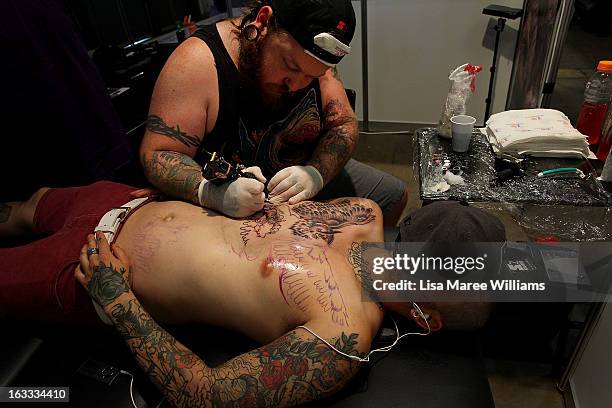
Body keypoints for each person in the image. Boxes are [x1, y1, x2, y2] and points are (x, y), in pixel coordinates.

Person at [0, 182, 503, 407]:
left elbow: (206, 393)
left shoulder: (340, 336)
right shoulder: (362, 211)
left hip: (85, 271)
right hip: (126, 198)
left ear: (426, 316)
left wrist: (120, 305)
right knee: (24, 206)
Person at [139, 0, 409, 225]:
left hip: (298, 174)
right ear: (263, 21)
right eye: (290, 65)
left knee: (393, 196)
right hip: (231, 193)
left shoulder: (314, 61)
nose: (296, 85)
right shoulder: (198, 61)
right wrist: (210, 192)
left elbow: (343, 124)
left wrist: (316, 173)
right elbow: (158, 153)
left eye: (311, 74)